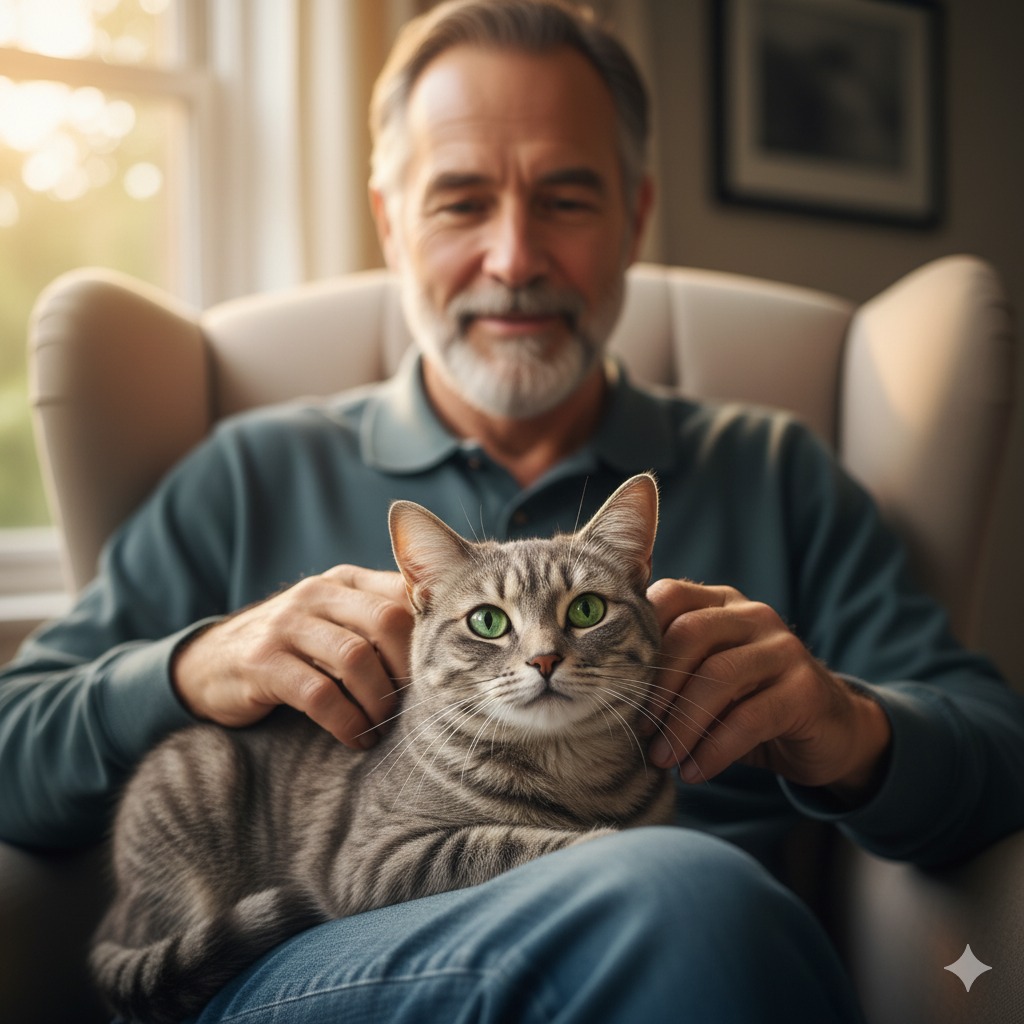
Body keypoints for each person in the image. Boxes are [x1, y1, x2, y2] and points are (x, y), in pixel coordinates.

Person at [2, 1, 1023, 1021]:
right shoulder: (246, 471)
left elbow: (996, 750)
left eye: (567, 199)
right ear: (389, 219)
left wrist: (846, 725)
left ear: (635, 213)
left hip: (710, 970)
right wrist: (191, 667)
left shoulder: (774, 469)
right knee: (677, 885)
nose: (514, 256)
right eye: (459, 202)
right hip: (317, 959)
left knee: (689, 898)